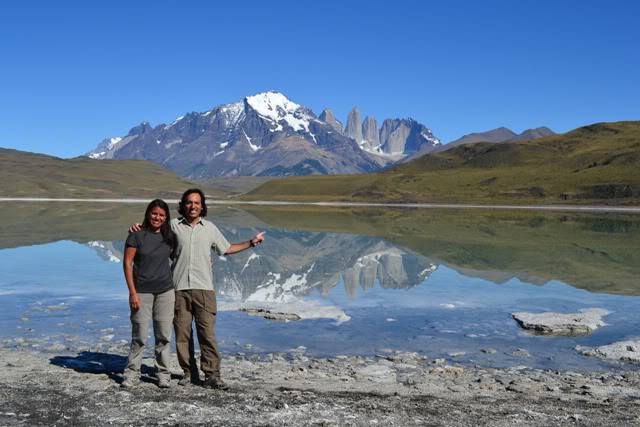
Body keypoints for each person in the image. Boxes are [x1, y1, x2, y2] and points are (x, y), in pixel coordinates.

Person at [131, 188, 265, 390]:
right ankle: (188, 372)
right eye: (189, 202)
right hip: (178, 288)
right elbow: (154, 228)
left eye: (196, 203)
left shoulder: (210, 228)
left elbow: (226, 249)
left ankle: (212, 374)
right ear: (183, 205)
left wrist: (251, 243)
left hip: (204, 289)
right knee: (182, 335)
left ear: (202, 206)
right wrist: (137, 227)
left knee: (207, 334)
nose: (192, 206)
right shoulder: (173, 226)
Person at [121, 199, 176, 389]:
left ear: (166, 217)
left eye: (161, 215)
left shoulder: (170, 236)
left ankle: (163, 374)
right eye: (154, 214)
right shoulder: (136, 235)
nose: (157, 218)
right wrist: (132, 293)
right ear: (148, 213)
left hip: (165, 292)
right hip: (141, 292)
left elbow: (178, 256)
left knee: (163, 335)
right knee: (140, 336)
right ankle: (132, 374)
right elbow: (127, 264)